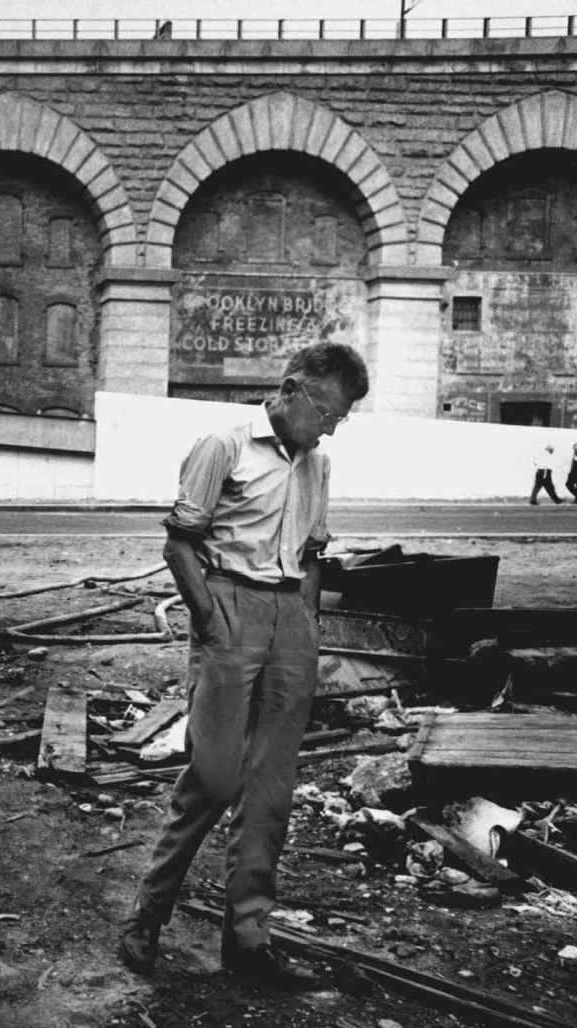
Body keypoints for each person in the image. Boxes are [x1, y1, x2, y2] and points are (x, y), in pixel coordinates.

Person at [118, 342, 368, 990]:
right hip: (228, 605)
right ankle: (146, 917)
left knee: (270, 792)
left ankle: (248, 942)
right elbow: (179, 542)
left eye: (340, 419)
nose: (331, 427)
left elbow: (313, 551)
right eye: (326, 412)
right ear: (290, 391)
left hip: (291, 619)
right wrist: (209, 619)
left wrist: (306, 619)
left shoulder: (319, 464)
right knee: (215, 775)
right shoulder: (223, 446)